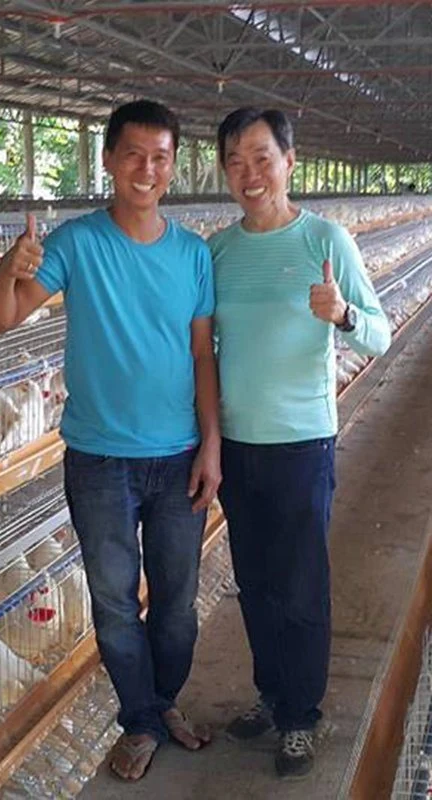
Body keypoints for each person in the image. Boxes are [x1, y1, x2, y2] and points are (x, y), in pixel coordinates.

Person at [0, 99, 221, 782]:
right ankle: (142, 720)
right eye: (135, 154)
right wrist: (10, 266)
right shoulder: (76, 242)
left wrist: (212, 445)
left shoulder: (193, 253)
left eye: (161, 156)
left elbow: (203, 356)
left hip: (177, 455)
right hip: (100, 459)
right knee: (116, 600)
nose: (148, 169)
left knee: (176, 601)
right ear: (110, 160)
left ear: (173, 166)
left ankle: (162, 702)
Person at [209, 107, 391, 780]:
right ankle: (270, 692)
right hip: (236, 443)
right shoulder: (220, 252)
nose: (250, 173)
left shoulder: (325, 239)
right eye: (236, 160)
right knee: (253, 582)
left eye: (261, 157)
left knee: (301, 584)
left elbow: (381, 333)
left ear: (289, 160)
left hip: (301, 443)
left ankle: (301, 717)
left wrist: (342, 314)